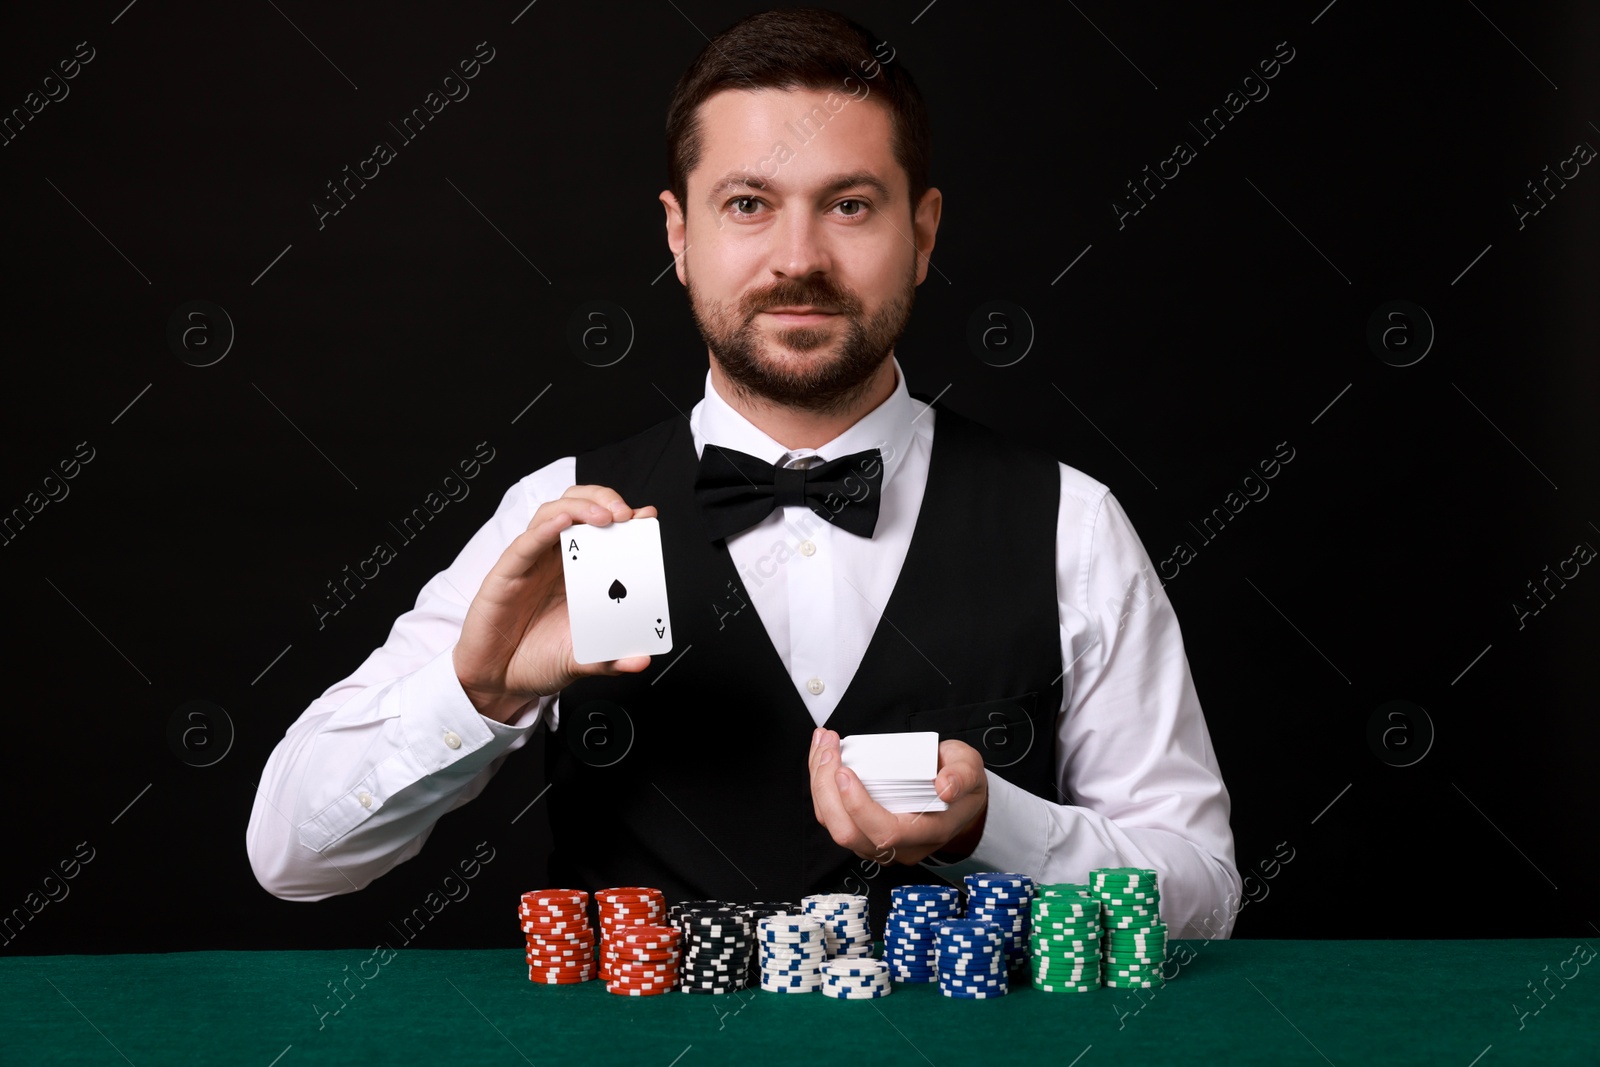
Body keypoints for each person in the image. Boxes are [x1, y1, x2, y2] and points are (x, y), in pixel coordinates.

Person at [247, 7, 1242, 939]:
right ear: (681, 236)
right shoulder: (571, 517)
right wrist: (478, 693)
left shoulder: (1068, 517)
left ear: (923, 233)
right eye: (747, 204)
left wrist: (996, 829)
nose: (796, 256)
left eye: (849, 204)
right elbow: (291, 856)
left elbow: (1202, 890)